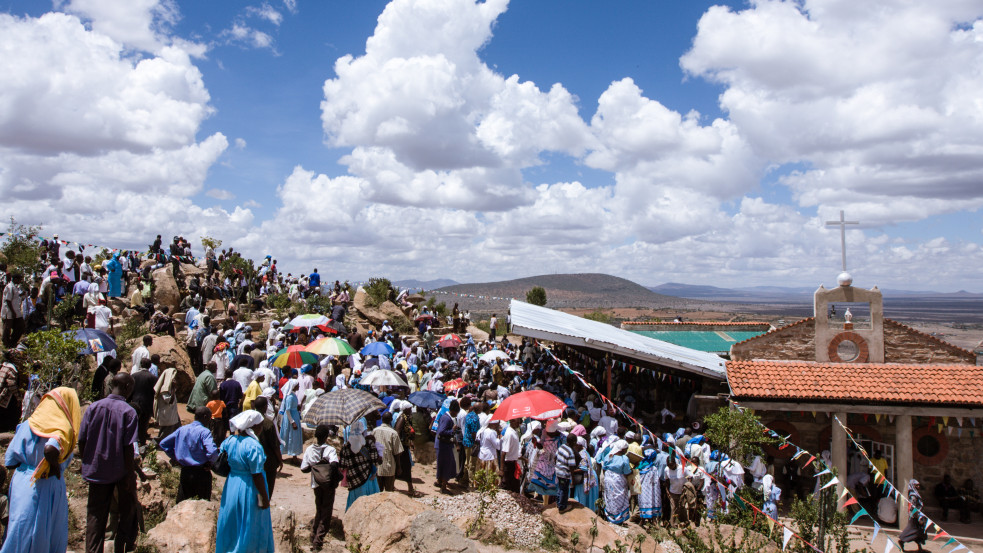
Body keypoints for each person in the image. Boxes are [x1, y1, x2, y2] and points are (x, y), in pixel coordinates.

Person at [1, 387, 80, 553]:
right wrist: (54, 467)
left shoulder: (29, 423)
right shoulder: (61, 428)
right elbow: (50, 449)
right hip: (45, 482)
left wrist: (27, 466)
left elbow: (9, 461)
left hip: (21, 481)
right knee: (43, 531)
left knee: (19, 528)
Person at [78, 373, 138, 553]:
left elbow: (82, 440)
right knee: (126, 512)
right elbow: (128, 448)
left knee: (95, 516)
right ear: (127, 387)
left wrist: (88, 460)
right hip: (119, 471)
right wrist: (129, 475)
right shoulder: (128, 412)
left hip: (96, 470)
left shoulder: (93, 408)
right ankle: (122, 547)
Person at [215, 411, 274, 553]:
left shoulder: (229, 441)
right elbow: (257, 475)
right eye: (259, 426)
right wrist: (265, 498)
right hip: (250, 488)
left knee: (232, 519)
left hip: (232, 485)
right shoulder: (254, 446)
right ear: (253, 427)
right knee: (250, 521)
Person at [159, 407, 219, 502]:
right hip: (201, 473)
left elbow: (163, 444)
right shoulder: (204, 432)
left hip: (185, 472)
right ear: (205, 417)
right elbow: (212, 452)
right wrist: (211, 462)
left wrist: (175, 457)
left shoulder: (182, 429)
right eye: (209, 418)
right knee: (202, 504)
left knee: (183, 502)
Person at [300, 424, 339, 551]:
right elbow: (334, 464)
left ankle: (313, 535)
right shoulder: (330, 450)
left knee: (319, 508)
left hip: (315, 483)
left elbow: (304, 469)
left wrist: (315, 467)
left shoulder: (310, 449)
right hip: (327, 484)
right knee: (326, 512)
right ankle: (318, 541)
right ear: (327, 436)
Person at [340, 419, 381, 510]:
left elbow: (342, 466)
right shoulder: (368, 443)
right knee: (371, 506)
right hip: (368, 478)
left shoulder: (346, 447)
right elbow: (375, 460)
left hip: (353, 480)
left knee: (354, 506)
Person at [251, 396, 283, 497]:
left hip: (252, 460)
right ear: (265, 407)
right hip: (268, 462)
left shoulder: (249, 421)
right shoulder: (268, 423)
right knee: (267, 489)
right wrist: (280, 460)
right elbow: (275, 445)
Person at [530, 420, 563, 505]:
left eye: (552, 434)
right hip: (545, 458)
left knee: (554, 480)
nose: (550, 435)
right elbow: (541, 446)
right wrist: (536, 443)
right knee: (539, 473)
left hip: (555, 460)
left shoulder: (562, 437)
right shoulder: (544, 433)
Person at [372, 412, 404, 492]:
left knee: (378, 491)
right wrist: (399, 467)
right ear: (391, 420)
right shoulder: (393, 433)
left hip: (377, 467)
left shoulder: (375, 431)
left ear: (382, 419)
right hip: (389, 467)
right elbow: (397, 453)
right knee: (389, 491)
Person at [602, 440, 632, 524]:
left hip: (608, 479)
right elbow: (626, 472)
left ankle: (610, 515)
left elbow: (604, 468)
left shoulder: (608, 456)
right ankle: (618, 517)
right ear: (622, 449)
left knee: (610, 497)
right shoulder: (624, 459)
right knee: (619, 498)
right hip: (619, 480)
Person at [435, 400, 460, 494]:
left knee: (442, 465)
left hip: (442, 445)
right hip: (444, 445)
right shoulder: (447, 419)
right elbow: (442, 431)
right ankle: (443, 487)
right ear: (453, 411)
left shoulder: (444, 417)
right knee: (446, 465)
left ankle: (440, 482)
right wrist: (452, 430)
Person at [131, 360, 157, 446]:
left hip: (135, 402)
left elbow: (130, 390)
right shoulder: (153, 378)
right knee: (144, 422)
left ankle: (134, 440)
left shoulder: (134, 376)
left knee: (135, 422)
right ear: (150, 366)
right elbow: (154, 392)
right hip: (147, 403)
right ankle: (142, 441)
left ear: (141, 364)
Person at [899, 479, 928, 553]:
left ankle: (920, 548)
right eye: (916, 485)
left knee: (919, 533)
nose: (918, 486)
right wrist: (918, 518)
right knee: (913, 531)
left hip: (917, 516)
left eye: (918, 485)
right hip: (915, 517)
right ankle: (902, 540)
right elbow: (913, 507)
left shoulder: (915, 493)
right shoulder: (913, 495)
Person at [278, 379, 303, 462]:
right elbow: (287, 410)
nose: (298, 386)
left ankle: (294, 455)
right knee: (291, 436)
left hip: (294, 416)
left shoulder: (293, 395)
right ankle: (292, 456)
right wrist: (292, 422)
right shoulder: (290, 397)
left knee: (293, 436)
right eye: (297, 385)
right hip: (290, 418)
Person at [153, 367, 181, 441]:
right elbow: (169, 401)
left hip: (171, 414)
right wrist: (174, 389)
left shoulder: (170, 388)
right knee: (165, 433)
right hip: (167, 415)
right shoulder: (164, 389)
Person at [637, 447, 662, 523]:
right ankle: (653, 521)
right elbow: (655, 481)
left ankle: (643, 520)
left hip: (643, 489)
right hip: (652, 489)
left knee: (643, 503)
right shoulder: (652, 468)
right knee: (652, 502)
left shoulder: (641, 467)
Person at [555, 433, 577, 514]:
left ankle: (558, 502)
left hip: (558, 471)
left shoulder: (561, 447)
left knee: (560, 487)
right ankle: (562, 507)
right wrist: (573, 479)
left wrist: (557, 466)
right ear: (573, 442)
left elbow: (555, 457)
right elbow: (571, 467)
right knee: (564, 489)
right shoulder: (570, 452)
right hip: (564, 474)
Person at [1, 273, 24, 348]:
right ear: (15, 279)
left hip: (15, 311)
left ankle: (12, 341)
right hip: (9, 311)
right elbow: (8, 300)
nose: (20, 281)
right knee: (7, 328)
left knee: (20, 326)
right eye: (20, 279)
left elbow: (14, 298)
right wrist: (13, 312)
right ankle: (6, 343)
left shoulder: (15, 287)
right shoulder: (10, 287)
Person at [500, 418, 522, 493]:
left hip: (513, 463)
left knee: (514, 488)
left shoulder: (514, 432)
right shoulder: (509, 434)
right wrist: (502, 469)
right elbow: (503, 453)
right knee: (506, 487)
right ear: (512, 421)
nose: (519, 424)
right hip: (508, 465)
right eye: (517, 422)